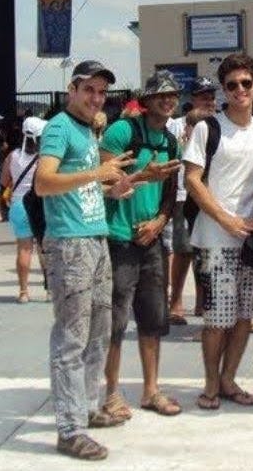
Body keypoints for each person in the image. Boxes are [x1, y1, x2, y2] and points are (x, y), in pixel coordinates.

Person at [34, 60, 136, 461]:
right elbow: (44, 183)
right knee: (71, 338)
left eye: (101, 92)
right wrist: (98, 173)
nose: (96, 98)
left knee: (99, 332)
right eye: (89, 90)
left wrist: (112, 189)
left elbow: (80, 187)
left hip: (95, 238)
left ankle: (88, 408)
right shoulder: (59, 127)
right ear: (72, 90)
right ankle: (69, 429)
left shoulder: (87, 130)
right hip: (70, 245)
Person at [184, 53, 253, 411]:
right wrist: (225, 218)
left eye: (246, 83)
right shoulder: (208, 129)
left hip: (252, 241)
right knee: (217, 320)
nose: (240, 90)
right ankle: (210, 383)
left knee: (244, 317)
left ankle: (229, 379)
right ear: (223, 89)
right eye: (232, 84)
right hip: (215, 238)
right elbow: (192, 180)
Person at [100, 71, 184, 421]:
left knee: (153, 317)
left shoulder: (171, 142)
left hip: (151, 238)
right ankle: (111, 393)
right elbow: (102, 180)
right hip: (118, 237)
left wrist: (159, 222)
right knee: (115, 320)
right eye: (161, 95)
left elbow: (170, 194)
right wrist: (140, 175)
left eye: (172, 95)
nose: (167, 100)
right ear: (147, 100)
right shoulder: (122, 132)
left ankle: (151, 390)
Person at [166, 77, 218, 324]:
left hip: (210, 197)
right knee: (183, 250)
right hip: (182, 195)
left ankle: (201, 301)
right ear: (193, 99)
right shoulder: (176, 126)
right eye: (203, 96)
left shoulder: (219, 124)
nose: (209, 101)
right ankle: (175, 302)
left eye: (211, 96)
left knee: (204, 250)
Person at [0, 116, 47, 303]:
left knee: (23, 249)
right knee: (44, 249)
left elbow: (4, 181)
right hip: (39, 204)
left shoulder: (13, 156)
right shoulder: (44, 158)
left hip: (18, 204)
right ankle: (50, 290)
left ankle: (23, 292)